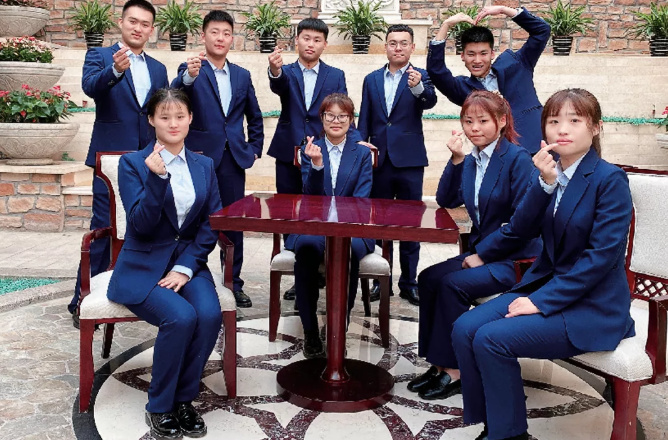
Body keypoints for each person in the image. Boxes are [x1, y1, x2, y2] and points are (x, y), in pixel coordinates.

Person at [451, 88, 635, 440]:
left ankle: (507, 434)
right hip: (548, 286)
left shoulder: (609, 180)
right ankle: (497, 425)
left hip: (592, 305)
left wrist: (540, 302)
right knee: (464, 327)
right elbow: (520, 228)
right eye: (553, 121)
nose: (562, 129)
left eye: (574, 120)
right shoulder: (552, 174)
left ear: (596, 127)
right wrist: (544, 185)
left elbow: (600, 258)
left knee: (491, 339)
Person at [408, 90, 540, 402]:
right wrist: (456, 160)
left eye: (482, 121)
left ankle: (456, 370)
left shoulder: (518, 160)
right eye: (468, 121)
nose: (474, 128)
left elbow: (523, 224)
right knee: (428, 278)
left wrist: (483, 254)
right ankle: (438, 363)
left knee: (452, 285)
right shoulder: (472, 160)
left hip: (516, 261)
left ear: (502, 121)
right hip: (485, 253)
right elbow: (446, 199)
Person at [107, 88, 223, 440]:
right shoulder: (133, 163)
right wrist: (157, 180)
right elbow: (140, 225)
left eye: (180, 116)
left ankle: (184, 400)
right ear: (152, 120)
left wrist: (185, 268)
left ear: (190, 119)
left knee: (209, 314)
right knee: (181, 317)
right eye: (164, 116)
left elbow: (211, 224)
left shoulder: (204, 165)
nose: (173, 123)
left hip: (187, 263)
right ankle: (159, 406)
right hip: (141, 266)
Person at [69, 0, 169, 325]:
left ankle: (139, 294)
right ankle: (82, 301)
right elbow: (90, 87)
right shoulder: (99, 56)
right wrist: (115, 71)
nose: (138, 28)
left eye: (145, 24)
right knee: (104, 226)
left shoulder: (158, 69)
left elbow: (160, 110)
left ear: (151, 30)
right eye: (133, 21)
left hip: (145, 161)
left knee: (145, 226)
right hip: (109, 160)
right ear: (121, 22)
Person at [171, 10, 264, 308]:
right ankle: (186, 277)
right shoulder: (192, 70)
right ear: (203, 36)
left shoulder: (242, 75)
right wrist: (188, 76)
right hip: (198, 159)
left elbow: (254, 116)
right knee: (192, 220)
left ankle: (233, 283)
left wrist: (254, 148)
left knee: (234, 223)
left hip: (233, 159)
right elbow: (174, 94)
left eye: (226, 33)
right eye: (214, 32)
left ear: (232, 38)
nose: (220, 38)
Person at [267, 17, 358, 301]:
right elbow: (278, 85)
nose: (311, 44)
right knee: (290, 212)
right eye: (306, 38)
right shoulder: (286, 71)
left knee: (319, 207)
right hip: (287, 149)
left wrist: (356, 140)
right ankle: (300, 275)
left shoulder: (335, 75)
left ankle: (320, 268)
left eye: (317, 40)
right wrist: (274, 70)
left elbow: (342, 111)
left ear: (325, 44)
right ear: (297, 40)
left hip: (321, 153)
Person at [285, 93, 374, 358]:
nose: (336, 121)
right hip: (315, 225)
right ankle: (310, 330)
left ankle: (339, 327)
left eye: (342, 116)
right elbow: (310, 198)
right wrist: (317, 165)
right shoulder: (310, 149)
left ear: (351, 119)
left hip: (352, 227)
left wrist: (340, 225)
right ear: (321, 118)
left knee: (349, 250)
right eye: (330, 115)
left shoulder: (362, 153)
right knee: (307, 249)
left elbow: (361, 199)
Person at [357, 24, 437, 306]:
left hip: (410, 162)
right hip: (378, 161)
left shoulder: (421, 76)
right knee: (379, 225)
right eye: (393, 43)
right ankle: (381, 281)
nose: (398, 48)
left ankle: (409, 282)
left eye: (404, 43)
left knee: (410, 225)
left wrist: (417, 87)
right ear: (386, 47)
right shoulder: (371, 80)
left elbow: (430, 101)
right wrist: (360, 147)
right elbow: (364, 118)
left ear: (412, 47)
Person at [426, 4, 550, 154]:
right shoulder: (463, 89)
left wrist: (504, 10)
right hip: (497, 157)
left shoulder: (516, 64)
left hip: (538, 148)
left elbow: (542, 31)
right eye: (471, 54)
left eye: (483, 53)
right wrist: (446, 25)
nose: (477, 60)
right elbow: (436, 71)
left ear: (492, 54)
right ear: (462, 56)